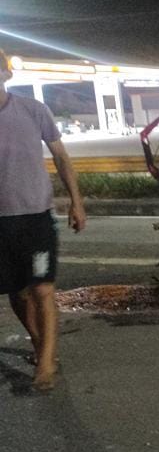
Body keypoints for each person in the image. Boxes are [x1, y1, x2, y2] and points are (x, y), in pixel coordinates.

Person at [0, 48, 86, 391]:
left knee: (43, 288)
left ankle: (46, 366)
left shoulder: (33, 110)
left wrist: (77, 203)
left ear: (6, 74)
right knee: (18, 294)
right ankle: (40, 345)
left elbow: (62, 157)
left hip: (35, 216)